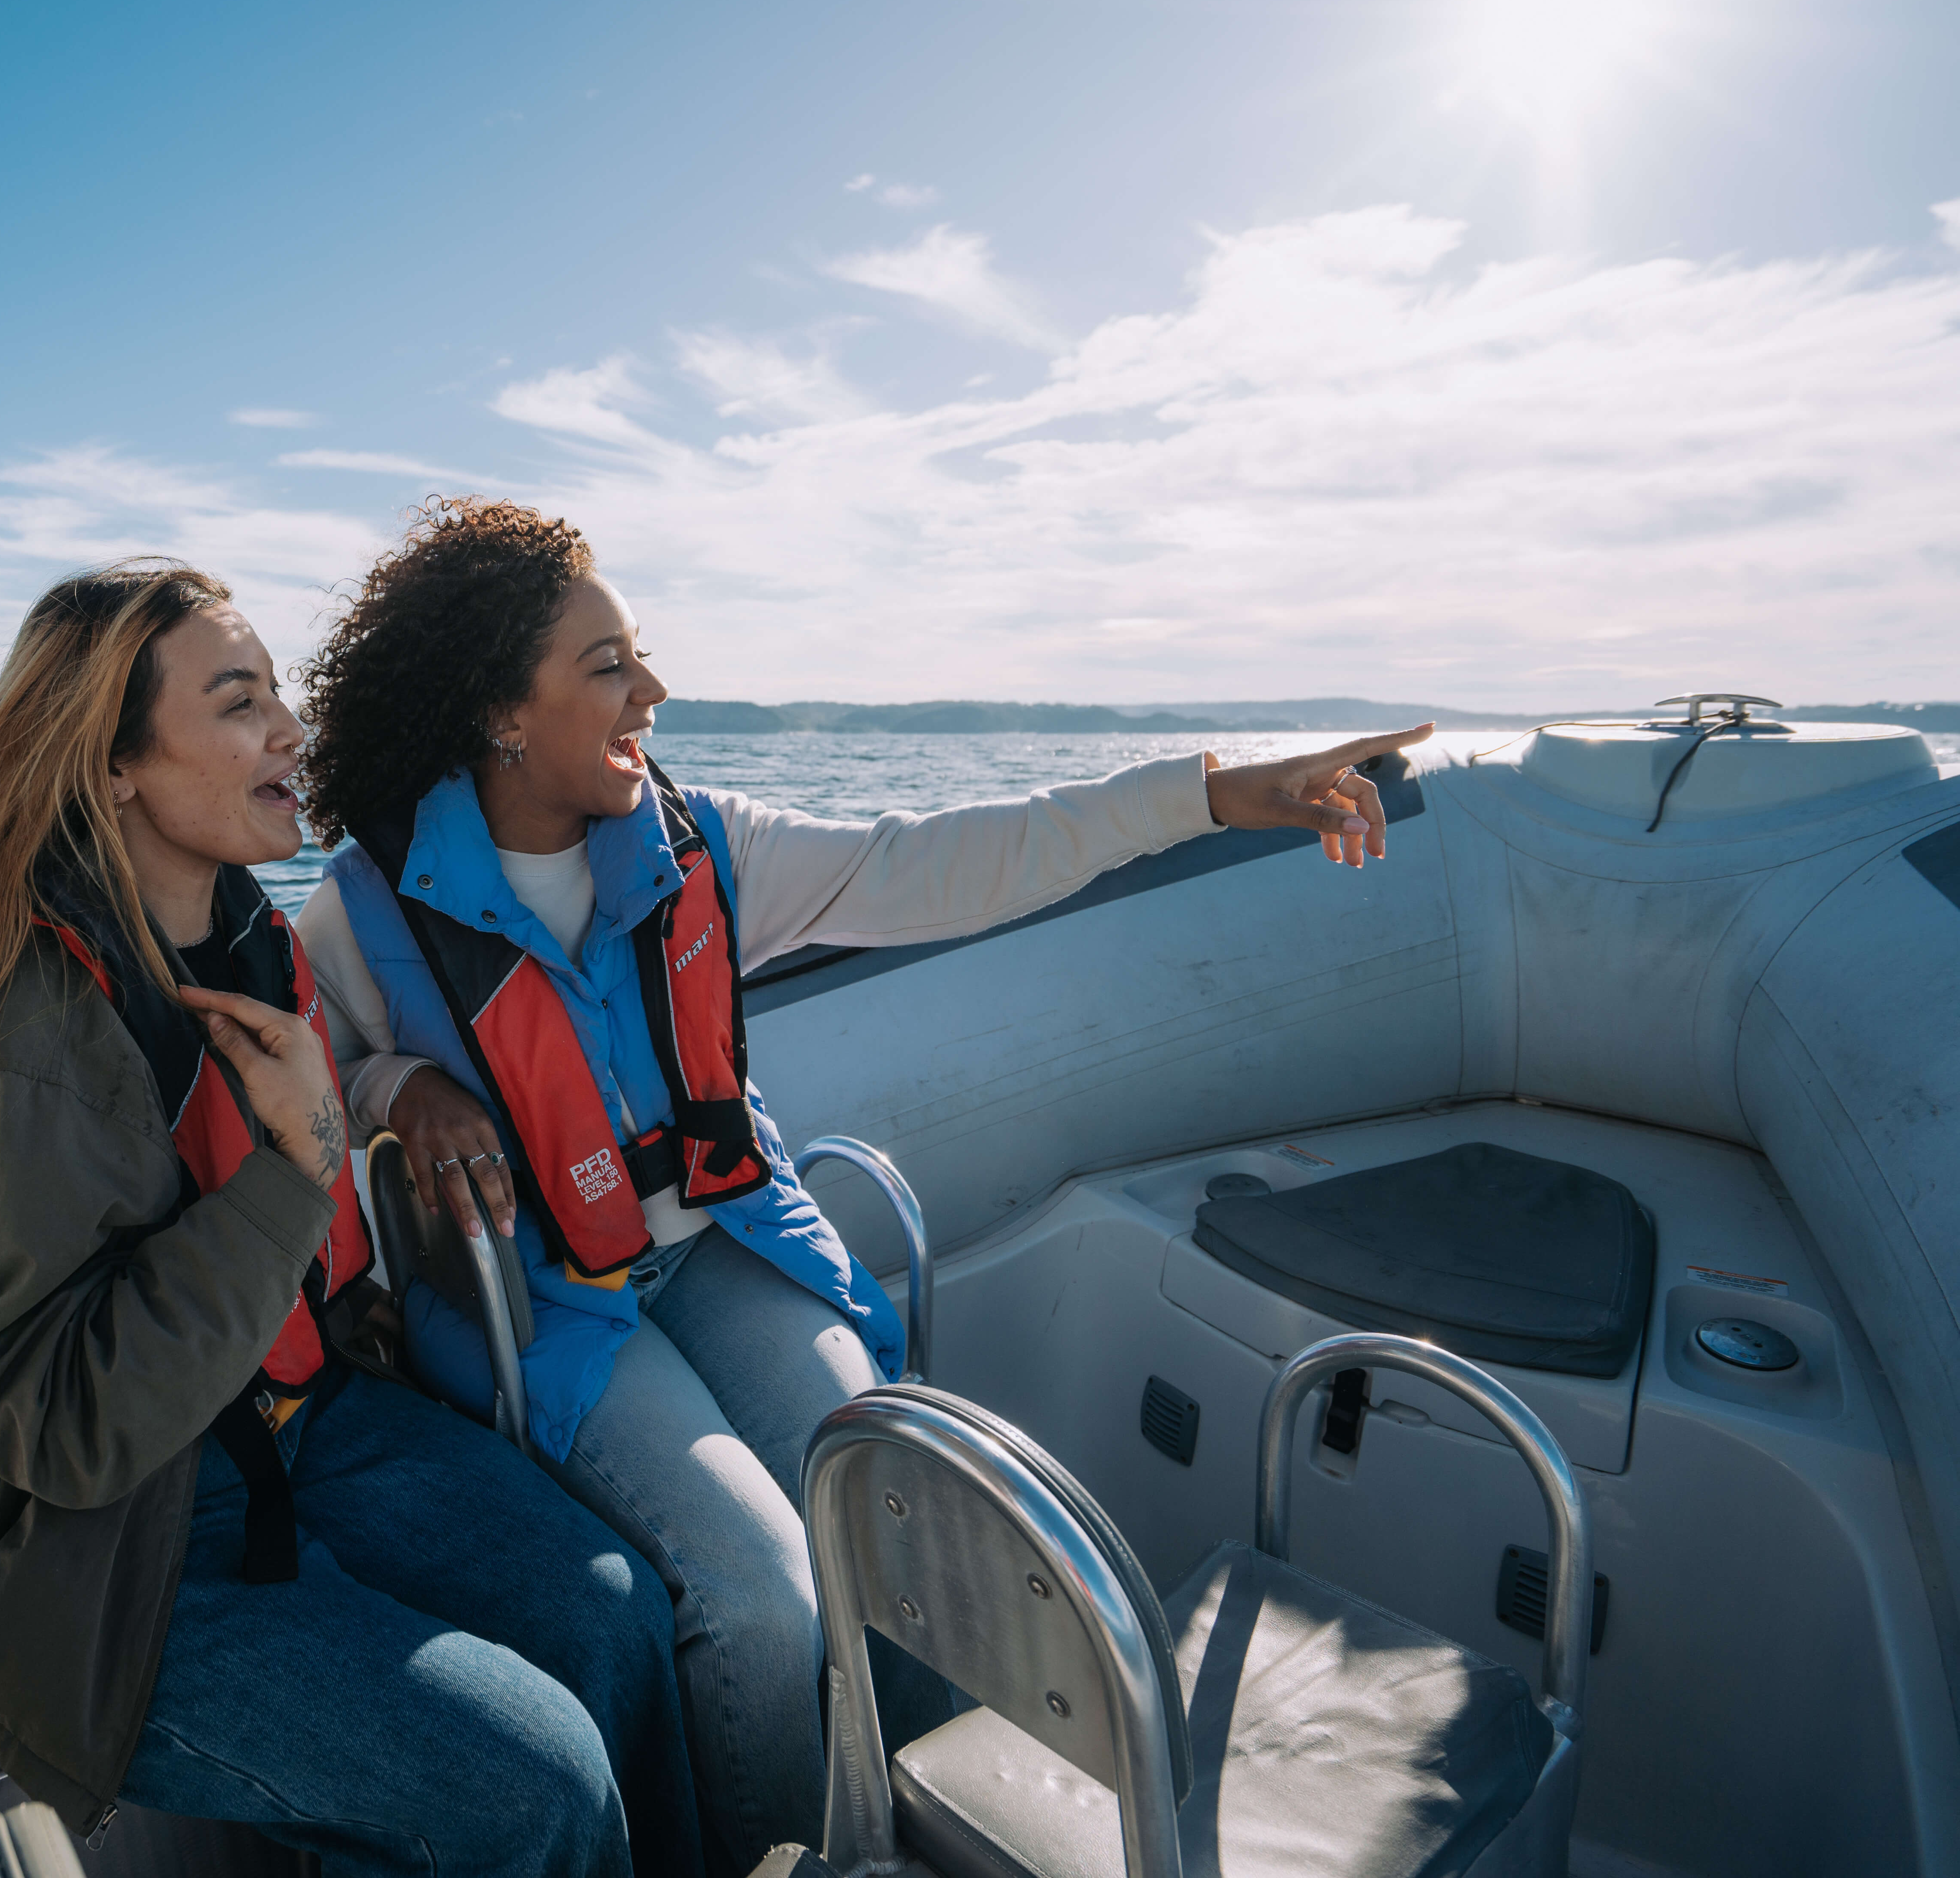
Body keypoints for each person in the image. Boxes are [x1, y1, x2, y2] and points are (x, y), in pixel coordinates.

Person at [292, 497, 1429, 1870]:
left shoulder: (702, 841)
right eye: (609, 667)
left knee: (916, 1517)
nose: (653, 692)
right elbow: (323, 1077)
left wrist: (1208, 792)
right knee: (765, 1604)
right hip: (553, 1308)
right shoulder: (355, 912)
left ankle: (937, 1836)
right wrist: (396, 1090)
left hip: (723, 1248)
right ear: (501, 715)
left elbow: (943, 856)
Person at [0, 560, 700, 1878]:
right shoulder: (33, 1032)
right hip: (124, 1567)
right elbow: (54, 1426)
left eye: (279, 693)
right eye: (239, 703)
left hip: (296, 1428)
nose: (290, 731)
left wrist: (350, 1290)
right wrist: (295, 1170)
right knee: (533, 1789)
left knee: (615, 1621)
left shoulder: (237, 937)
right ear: (113, 767)